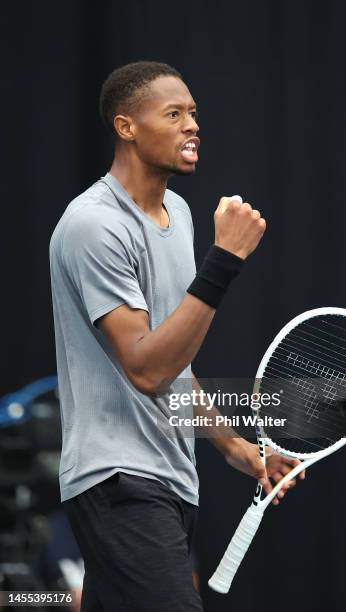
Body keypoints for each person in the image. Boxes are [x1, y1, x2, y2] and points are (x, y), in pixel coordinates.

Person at [49, 61, 305, 612]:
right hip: (119, 481)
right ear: (127, 127)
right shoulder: (93, 224)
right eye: (173, 114)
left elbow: (174, 365)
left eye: (194, 113)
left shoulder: (179, 215)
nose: (192, 125)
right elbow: (145, 368)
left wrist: (237, 448)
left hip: (167, 481)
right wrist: (225, 261)